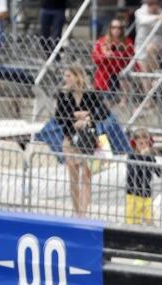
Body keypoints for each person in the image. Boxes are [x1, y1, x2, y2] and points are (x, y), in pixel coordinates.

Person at [54, 66, 110, 214]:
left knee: (86, 176)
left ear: (77, 76)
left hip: (87, 138)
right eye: (65, 76)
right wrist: (75, 116)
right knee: (73, 177)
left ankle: (83, 213)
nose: (65, 79)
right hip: (70, 139)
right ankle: (76, 210)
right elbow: (58, 118)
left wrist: (89, 117)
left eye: (68, 76)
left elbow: (105, 112)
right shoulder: (63, 95)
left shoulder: (91, 94)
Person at [124, 130, 162, 224]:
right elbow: (133, 174)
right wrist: (141, 157)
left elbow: (159, 173)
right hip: (133, 194)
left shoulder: (150, 157)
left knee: (149, 221)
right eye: (141, 143)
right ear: (135, 143)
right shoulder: (131, 156)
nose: (144, 146)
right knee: (132, 222)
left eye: (146, 143)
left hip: (146, 193)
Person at [92, 17, 135, 93]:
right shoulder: (102, 41)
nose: (116, 29)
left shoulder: (127, 41)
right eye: (114, 27)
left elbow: (129, 57)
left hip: (120, 72)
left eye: (119, 27)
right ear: (110, 29)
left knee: (124, 76)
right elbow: (95, 58)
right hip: (105, 73)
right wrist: (105, 56)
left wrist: (115, 54)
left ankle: (123, 102)